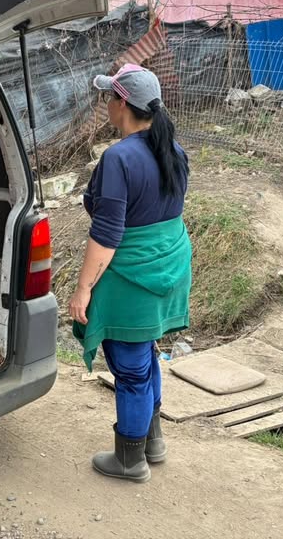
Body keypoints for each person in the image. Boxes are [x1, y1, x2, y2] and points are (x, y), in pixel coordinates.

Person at [70, 63, 192, 483]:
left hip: (132, 277)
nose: (106, 104)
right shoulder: (174, 150)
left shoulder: (119, 158)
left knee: (131, 368)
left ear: (122, 103)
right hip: (168, 266)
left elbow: (106, 236)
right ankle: (151, 441)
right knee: (147, 354)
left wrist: (83, 289)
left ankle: (129, 459)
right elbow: (163, 215)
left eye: (109, 97)